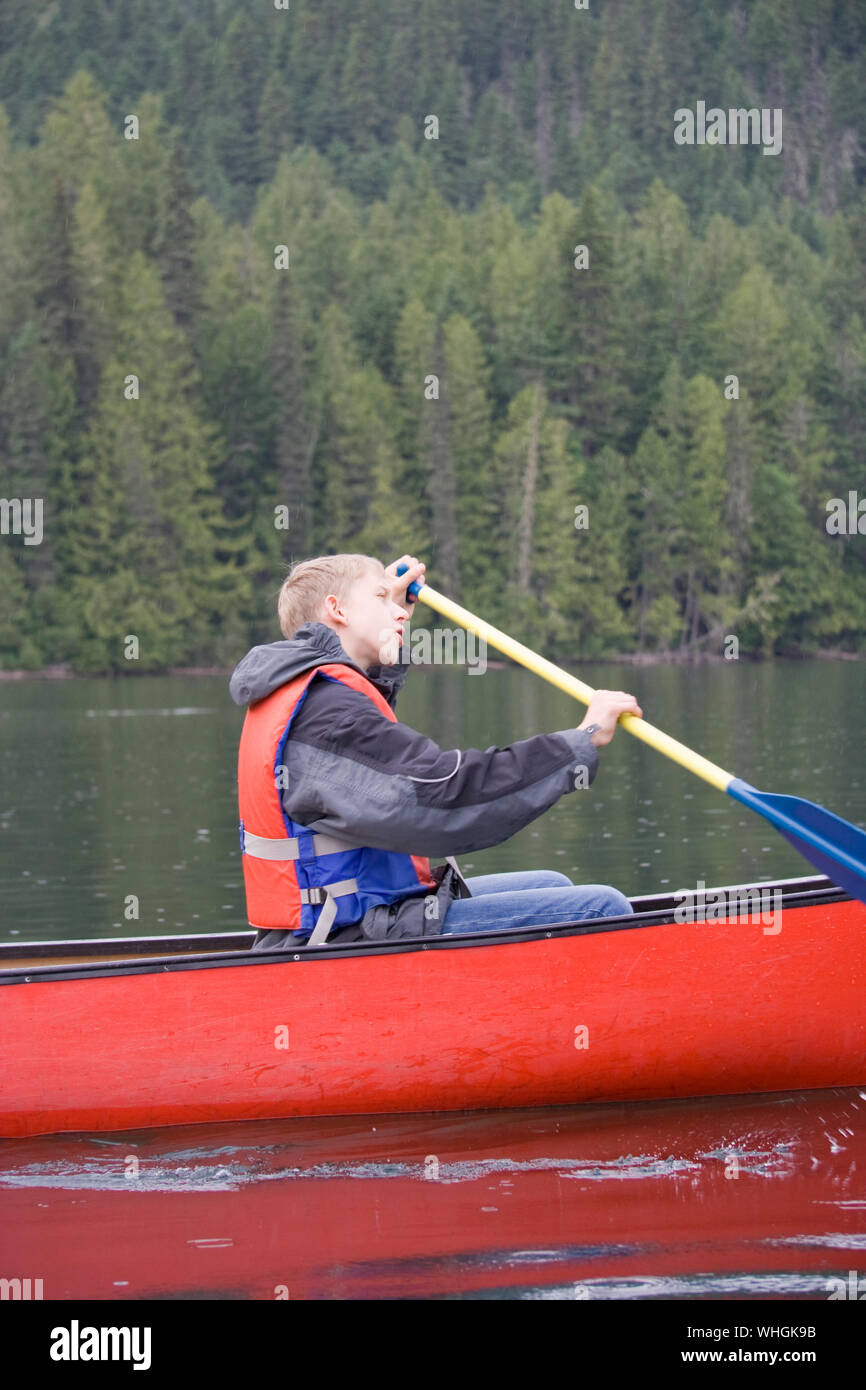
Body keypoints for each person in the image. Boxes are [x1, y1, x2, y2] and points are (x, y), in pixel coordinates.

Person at [229, 553, 643, 949]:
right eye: (380, 598)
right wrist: (576, 744)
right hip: (345, 934)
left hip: (357, 915)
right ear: (337, 609)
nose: (399, 614)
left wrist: (384, 611)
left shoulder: (312, 693)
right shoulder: (328, 713)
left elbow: (374, 757)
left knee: (553, 884)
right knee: (602, 908)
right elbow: (442, 795)